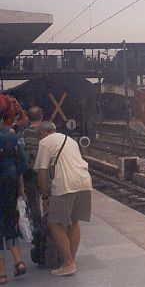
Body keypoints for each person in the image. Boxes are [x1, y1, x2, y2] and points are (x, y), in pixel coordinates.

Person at [34, 122, 92, 277]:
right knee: (74, 221)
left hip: (65, 183)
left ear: (44, 133)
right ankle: (70, 261)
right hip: (84, 181)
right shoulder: (70, 139)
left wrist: (45, 194)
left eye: (39, 136)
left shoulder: (45, 142)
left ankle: (68, 263)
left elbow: (42, 172)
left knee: (54, 224)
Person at [0, 116, 28, 284]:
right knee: (10, 221)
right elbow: (23, 165)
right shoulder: (13, 137)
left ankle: (1, 273)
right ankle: (18, 261)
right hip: (10, 186)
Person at [20, 106, 44, 228]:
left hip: (30, 172)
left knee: (33, 202)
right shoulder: (46, 132)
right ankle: (49, 230)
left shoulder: (24, 133)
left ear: (28, 118)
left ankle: (38, 229)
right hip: (44, 171)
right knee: (47, 200)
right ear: (41, 117)